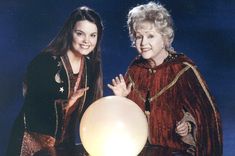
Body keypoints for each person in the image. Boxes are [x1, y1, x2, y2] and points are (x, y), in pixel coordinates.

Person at [108, 2, 222, 156]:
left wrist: (188, 126)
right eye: (139, 37)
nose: (143, 43)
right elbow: (128, 124)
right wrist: (122, 100)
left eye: (150, 36)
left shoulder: (183, 70)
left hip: (175, 151)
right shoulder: (135, 70)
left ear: (165, 38)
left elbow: (207, 117)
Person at [6, 6, 103, 156]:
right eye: (80, 34)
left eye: (93, 35)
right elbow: (34, 103)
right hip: (32, 142)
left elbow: (91, 111)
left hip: (63, 145)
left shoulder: (91, 67)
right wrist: (67, 103)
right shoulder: (45, 61)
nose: (86, 41)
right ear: (70, 32)